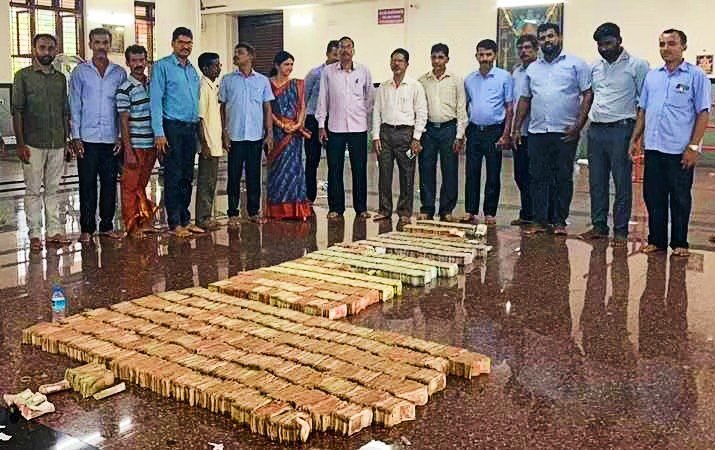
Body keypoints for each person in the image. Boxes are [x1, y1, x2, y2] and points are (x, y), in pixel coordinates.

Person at [629, 29, 711, 257]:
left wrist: (693, 147)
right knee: (653, 196)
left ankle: (680, 242)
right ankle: (656, 240)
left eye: (671, 43)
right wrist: (635, 138)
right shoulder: (653, 77)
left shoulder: (696, 76)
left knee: (680, 198)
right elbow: (643, 111)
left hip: (680, 150)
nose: (666, 48)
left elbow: (703, 113)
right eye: (662, 44)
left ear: (683, 46)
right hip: (654, 148)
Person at [513, 23, 593, 235]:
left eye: (550, 36)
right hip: (537, 132)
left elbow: (587, 94)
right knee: (538, 177)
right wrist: (516, 128)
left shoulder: (576, 64)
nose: (547, 41)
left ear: (559, 37)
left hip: (565, 132)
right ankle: (539, 221)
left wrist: (578, 125)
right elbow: (524, 99)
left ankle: (559, 221)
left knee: (562, 177)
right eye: (542, 38)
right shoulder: (533, 69)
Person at [580, 23, 649, 246]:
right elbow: (591, 96)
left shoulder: (638, 65)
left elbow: (644, 104)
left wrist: (637, 137)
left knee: (621, 182)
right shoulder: (594, 66)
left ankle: (620, 230)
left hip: (622, 130)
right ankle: (599, 225)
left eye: (608, 44)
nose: (604, 49)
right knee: (596, 182)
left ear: (619, 40)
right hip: (596, 130)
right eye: (600, 45)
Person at [12, 33, 71, 252]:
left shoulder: (60, 78)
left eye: (50, 48)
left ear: (56, 50)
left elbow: (65, 112)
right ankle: (35, 234)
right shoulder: (23, 76)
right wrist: (20, 144)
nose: (46, 52)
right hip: (32, 143)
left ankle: (54, 231)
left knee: (53, 190)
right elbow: (17, 111)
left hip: (57, 142)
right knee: (33, 190)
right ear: (34, 49)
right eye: (42, 47)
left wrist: (66, 140)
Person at [69, 27, 127, 242]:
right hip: (87, 138)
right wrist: (75, 136)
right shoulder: (80, 72)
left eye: (105, 43)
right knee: (87, 183)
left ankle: (107, 225)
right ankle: (87, 228)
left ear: (109, 45)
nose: (101, 47)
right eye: (97, 42)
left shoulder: (119, 73)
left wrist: (120, 136)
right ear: (90, 44)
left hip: (111, 138)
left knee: (110, 183)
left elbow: (122, 108)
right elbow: (75, 105)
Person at [150, 26, 203, 238]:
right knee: (174, 175)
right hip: (171, 127)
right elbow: (155, 101)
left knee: (188, 176)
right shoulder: (162, 67)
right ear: (173, 44)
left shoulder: (192, 70)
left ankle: (185, 219)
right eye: (181, 42)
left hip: (190, 128)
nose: (185, 46)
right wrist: (159, 133)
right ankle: (174, 223)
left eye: (189, 43)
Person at [316, 36, 374, 220]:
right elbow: (323, 99)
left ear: (353, 50)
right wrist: (321, 125)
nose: (345, 50)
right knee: (334, 168)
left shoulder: (363, 71)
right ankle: (336, 208)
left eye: (349, 47)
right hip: (335, 127)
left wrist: (362, 114)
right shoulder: (328, 72)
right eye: (342, 47)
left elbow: (370, 98)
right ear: (338, 51)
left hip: (358, 128)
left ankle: (361, 208)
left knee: (359, 168)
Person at [219, 42, 274, 225]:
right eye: (235, 52)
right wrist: (224, 132)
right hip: (234, 135)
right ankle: (233, 212)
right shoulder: (227, 80)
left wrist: (269, 133)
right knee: (233, 175)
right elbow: (222, 108)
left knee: (254, 175)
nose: (236, 55)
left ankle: (253, 211)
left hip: (255, 135)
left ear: (250, 56)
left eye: (240, 52)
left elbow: (267, 108)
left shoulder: (262, 81)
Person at [372, 48, 428, 224]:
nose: (396, 64)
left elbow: (422, 113)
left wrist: (416, 138)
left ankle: (404, 211)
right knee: (384, 173)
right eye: (393, 60)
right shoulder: (383, 86)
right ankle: (384, 209)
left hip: (406, 134)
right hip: (385, 134)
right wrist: (375, 136)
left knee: (407, 174)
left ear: (407, 64)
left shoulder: (415, 86)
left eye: (400, 61)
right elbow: (376, 112)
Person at [463, 39, 514, 226]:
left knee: (493, 173)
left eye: (488, 54)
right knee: (471, 172)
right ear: (476, 56)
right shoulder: (469, 79)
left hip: (495, 131)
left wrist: (506, 134)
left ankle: (490, 212)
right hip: (474, 131)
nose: (484, 58)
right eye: (481, 54)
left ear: (495, 55)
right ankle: (470, 211)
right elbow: (465, 106)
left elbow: (510, 108)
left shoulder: (504, 77)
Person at [417, 43, 468, 222]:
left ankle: (446, 209)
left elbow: (461, 108)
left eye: (441, 57)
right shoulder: (422, 81)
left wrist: (459, 135)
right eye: (434, 57)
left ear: (447, 59)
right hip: (429, 130)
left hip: (449, 129)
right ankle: (427, 208)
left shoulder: (456, 80)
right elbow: (419, 109)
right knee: (426, 168)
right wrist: (418, 134)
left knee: (450, 169)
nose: (437, 61)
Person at [116, 44, 157, 237]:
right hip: (135, 146)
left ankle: (144, 221)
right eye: (134, 61)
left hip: (151, 144)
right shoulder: (125, 88)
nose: (139, 64)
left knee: (141, 185)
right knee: (130, 187)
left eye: (142, 60)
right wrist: (129, 150)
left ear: (146, 61)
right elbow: (123, 122)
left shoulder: (152, 85)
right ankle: (131, 226)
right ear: (128, 63)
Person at [267, 51, 312, 220]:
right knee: (277, 171)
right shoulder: (267, 84)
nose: (290, 68)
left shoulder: (297, 84)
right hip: (276, 133)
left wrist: (297, 124)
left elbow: (302, 107)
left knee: (294, 170)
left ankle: (296, 210)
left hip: (294, 134)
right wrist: (281, 125)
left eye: (292, 64)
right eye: (286, 64)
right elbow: (267, 109)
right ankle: (278, 210)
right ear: (277, 65)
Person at [304, 40, 339, 203]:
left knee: (334, 161)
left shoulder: (340, 74)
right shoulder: (315, 73)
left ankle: (334, 201)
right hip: (313, 119)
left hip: (333, 120)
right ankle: (309, 196)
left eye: (339, 55)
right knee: (312, 160)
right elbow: (304, 98)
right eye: (334, 54)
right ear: (327, 54)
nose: (337, 58)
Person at [510, 34, 538, 226]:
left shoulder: (540, 70)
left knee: (537, 175)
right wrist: (513, 129)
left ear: (536, 49)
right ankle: (526, 213)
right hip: (519, 133)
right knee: (520, 174)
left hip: (536, 131)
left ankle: (542, 216)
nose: (524, 51)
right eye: (520, 48)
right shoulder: (516, 72)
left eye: (528, 47)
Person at [195, 52, 223, 231]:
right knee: (206, 181)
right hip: (208, 143)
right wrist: (204, 144)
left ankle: (207, 215)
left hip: (215, 141)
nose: (219, 68)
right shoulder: (203, 87)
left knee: (212, 181)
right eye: (215, 65)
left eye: (219, 65)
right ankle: (202, 218)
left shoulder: (214, 86)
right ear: (205, 69)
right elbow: (199, 118)